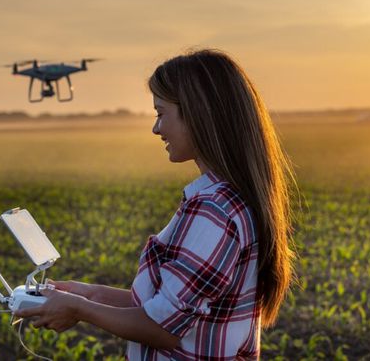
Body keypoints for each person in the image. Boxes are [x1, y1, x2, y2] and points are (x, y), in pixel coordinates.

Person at [15, 49, 296, 360]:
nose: (156, 128)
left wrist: (79, 308)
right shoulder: (228, 200)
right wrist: (85, 293)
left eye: (161, 113)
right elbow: (169, 307)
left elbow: (161, 328)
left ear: (199, 113)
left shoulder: (214, 211)